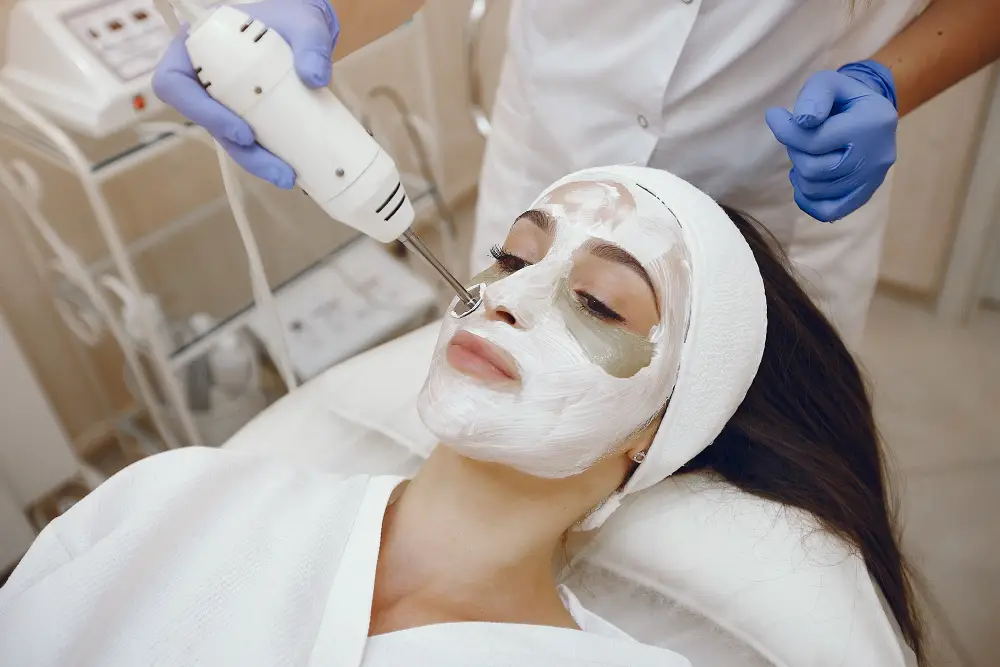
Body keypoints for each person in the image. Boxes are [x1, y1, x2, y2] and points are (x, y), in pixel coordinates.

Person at [0, 166, 923, 665]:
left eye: (599, 303)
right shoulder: (177, 496)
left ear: (661, 432)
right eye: (512, 256)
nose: (507, 299)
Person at [152, 0, 1000, 346]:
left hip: (777, 204)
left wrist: (888, 78)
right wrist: (315, 11)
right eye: (514, 268)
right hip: (551, 156)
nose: (509, 294)